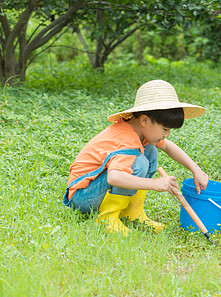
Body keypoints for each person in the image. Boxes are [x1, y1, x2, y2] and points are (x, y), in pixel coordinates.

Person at [62, 79, 209, 236]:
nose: (166, 135)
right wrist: (155, 184)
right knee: (138, 162)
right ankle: (107, 218)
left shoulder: (139, 131)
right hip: (83, 197)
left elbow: (167, 146)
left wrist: (196, 169)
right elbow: (115, 177)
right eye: (165, 129)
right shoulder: (126, 139)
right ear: (144, 120)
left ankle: (132, 212)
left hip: (92, 190)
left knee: (150, 150)